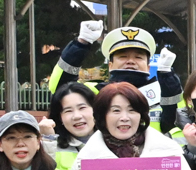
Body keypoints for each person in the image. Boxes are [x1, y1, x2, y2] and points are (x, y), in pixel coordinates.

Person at [53, 23, 182, 129]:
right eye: (123, 56)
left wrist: (167, 76)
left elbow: (175, 122)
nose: (131, 61)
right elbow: (61, 89)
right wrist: (81, 44)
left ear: (148, 67)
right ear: (110, 65)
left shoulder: (163, 93)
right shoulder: (95, 91)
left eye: (138, 57)